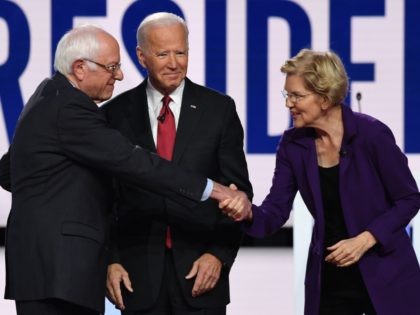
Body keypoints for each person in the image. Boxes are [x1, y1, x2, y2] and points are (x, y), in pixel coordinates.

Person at [0, 24, 247, 315]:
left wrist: (54, 190)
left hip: (53, 270)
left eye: (181, 52)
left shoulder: (47, 97)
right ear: (80, 68)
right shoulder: (74, 110)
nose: (118, 74)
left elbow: (10, 171)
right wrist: (212, 189)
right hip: (63, 270)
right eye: (111, 67)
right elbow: (137, 164)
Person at [222, 49, 420, 315]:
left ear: (325, 99)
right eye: (287, 94)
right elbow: (275, 212)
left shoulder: (371, 135)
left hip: (385, 273)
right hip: (330, 280)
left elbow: (409, 198)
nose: (288, 104)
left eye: (297, 96)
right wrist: (246, 212)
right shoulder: (293, 145)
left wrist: (365, 239)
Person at [102, 12, 253, 315]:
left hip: (201, 275)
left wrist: (219, 255)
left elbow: (237, 193)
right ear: (141, 56)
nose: (174, 63)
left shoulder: (219, 109)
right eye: (162, 53)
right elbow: (104, 199)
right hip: (137, 277)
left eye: (180, 52)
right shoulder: (114, 115)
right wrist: (110, 259)